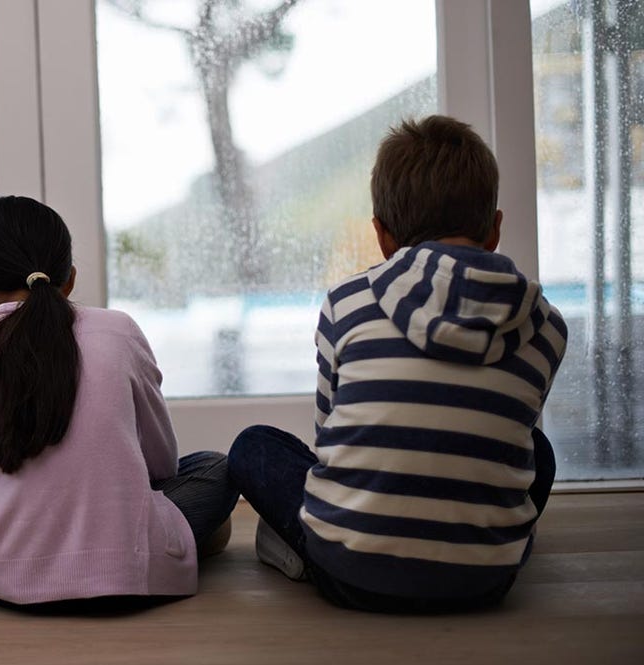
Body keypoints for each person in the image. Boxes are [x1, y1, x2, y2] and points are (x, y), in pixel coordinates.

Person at [228, 115, 568, 613]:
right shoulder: (547, 326)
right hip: (485, 583)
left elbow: (329, 442)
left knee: (252, 447)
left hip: (349, 573)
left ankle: (299, 549)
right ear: (495, 228)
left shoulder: (346, 304)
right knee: (537, 449)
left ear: (382, 235)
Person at [0, 195, 238, 609]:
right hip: (126, 573)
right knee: (216, 468)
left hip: (0, 580)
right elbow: (161, 465)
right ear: (70, 279)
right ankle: (186, 538)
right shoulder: (118, 331)